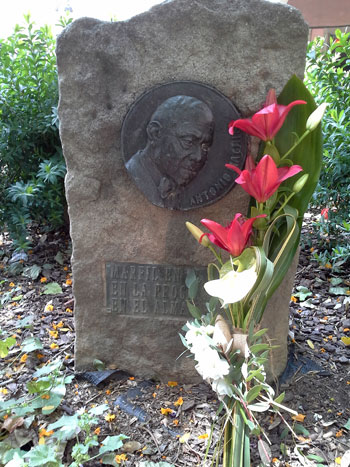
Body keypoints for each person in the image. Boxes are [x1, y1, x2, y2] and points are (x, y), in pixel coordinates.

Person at [125, 95, 215, 209]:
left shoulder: (176, 185)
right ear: (155, 133)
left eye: (205, 146)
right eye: (189, 141)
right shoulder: (132, 177)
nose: (198, 157)